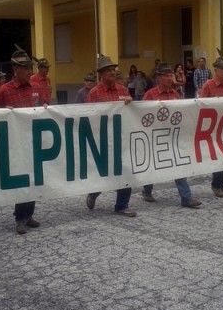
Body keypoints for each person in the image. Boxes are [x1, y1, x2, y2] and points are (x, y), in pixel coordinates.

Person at [0, 49, 48, 234]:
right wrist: (3, 112)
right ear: (15, 69)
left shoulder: (35, 88)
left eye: (29, 68)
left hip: (33, 141)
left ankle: (29, 214)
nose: (28, 72)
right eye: (24, 68)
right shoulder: (5, 90)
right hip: (15, 143)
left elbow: (42, 107)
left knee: (33, 178)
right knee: (22, 179)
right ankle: (19, 218)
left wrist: (46, 108)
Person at [141, 63, 202, 208]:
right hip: (154, 136)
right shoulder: (150, 94)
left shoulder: (175, 94)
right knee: (151, 165)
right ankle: (147, 190)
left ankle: (186, 198)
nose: (170, 78)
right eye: (167, 76)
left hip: (172, 136)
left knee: (177, 164)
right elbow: (142, 115)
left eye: (171, 75)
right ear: (159, 78)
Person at [86, 56, 136, 217]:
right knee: (104, 174)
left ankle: (122, 205)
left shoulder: (122, 90)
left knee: (126, 171)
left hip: (121, 138)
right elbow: (88, 116)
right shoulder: (94, 93)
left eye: (113, 69)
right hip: (103, 140)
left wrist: (130, 102)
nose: (112, 72)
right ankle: (93, 193)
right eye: (108, 70)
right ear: (101, 74)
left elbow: (130, 112)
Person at [198, 57, 223, 197]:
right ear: (216, 70)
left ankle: (221, 184)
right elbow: (201, 105)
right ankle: (217, 185)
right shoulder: (208, 85)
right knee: (219, 155)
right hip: (214, 128)